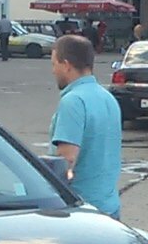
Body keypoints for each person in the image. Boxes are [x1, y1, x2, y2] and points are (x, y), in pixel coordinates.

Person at [48, 34, 123, 218]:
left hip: (82, 211)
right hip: (109, 206)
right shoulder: (108, 98)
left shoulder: (73, 101)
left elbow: (65, 161)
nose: (53, 71)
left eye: (54, 64)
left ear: (66, 64)